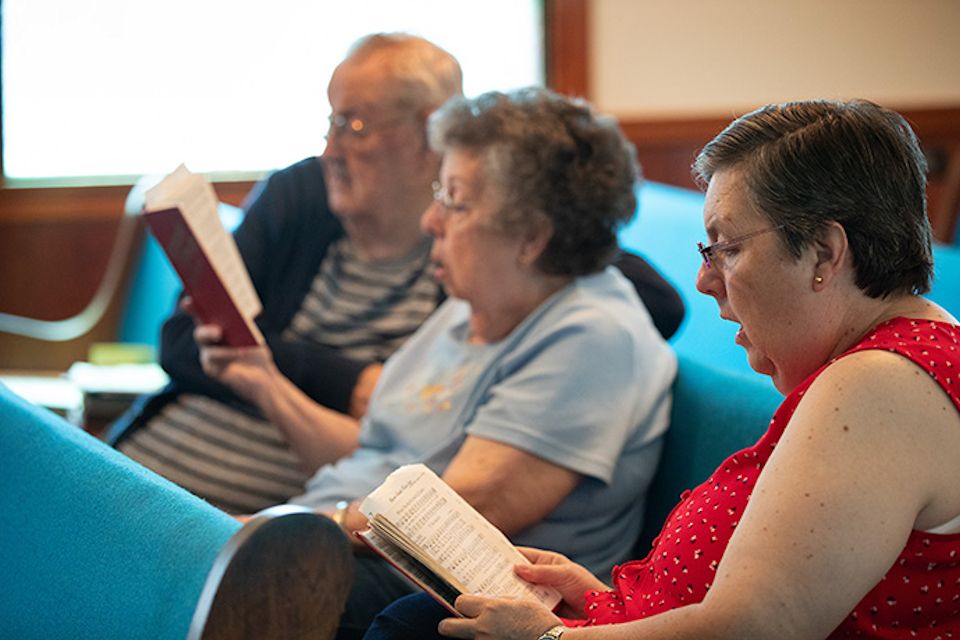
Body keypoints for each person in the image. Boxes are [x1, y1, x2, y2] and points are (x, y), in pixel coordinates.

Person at [364, 99, 960, 640]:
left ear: (825, 253)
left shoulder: (883, 383)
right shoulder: (881, 366)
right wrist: (599, 597)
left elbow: (758, 626)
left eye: (726, 248)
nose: (705, 280)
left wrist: (549, 639)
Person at [108, 33, 685, 515]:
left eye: (354, 125)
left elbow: (630, 289)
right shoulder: (303, 195)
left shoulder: (487, 276)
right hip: (235, 466)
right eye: (329, 123)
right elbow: (183, 339)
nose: (331, 148)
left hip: (305, 512)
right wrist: (341, 381)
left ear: (427, 133)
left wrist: (268, 533)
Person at [190, 86, 677, 639]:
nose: (431, 221)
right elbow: (381, 456)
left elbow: (447, 518)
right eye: (437, 193)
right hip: (358, 550)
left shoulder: (593, 337)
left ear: (531, 237)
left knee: (192, 568)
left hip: (432, 595)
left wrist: (278, 529)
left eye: (455, 200)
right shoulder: (474, 301)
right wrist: (267, 386)